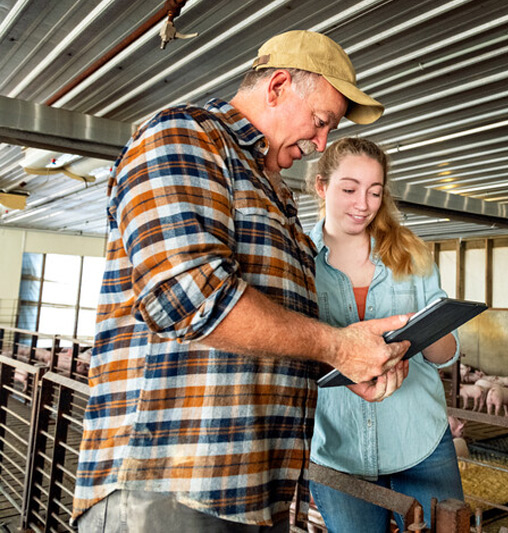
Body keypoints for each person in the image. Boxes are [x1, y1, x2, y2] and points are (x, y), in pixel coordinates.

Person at [72, 31, 412, 533]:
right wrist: (336, 346)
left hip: (252, 488)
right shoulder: (186, 138)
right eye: (321, 122)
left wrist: (346, 366)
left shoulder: (272, 191)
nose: (321, 144)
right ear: (276, 86)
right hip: (172, 484)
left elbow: (270, 331)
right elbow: (188, 298)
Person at [306, 137, 464, 532]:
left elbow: (445, 355)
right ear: (321, 186)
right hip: (336, 448)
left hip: (421, 439)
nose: (363, 204)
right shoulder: (297, 258)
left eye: (374, 192)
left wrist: (430, 329)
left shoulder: (410, 253)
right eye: (349, 189)